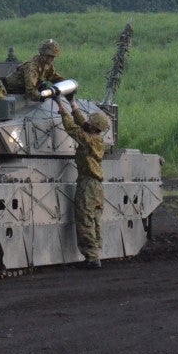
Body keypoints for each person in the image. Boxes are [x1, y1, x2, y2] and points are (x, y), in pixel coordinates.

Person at [56, 96, 111, 269]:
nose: (88, 121)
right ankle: (95, 253)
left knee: (85, 219)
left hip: (88, 184)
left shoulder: (88, 140)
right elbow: (83, 125)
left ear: (95, 126)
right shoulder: (96, 138)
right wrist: (72, 104)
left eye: (90, 121)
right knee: (94, 220)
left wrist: (60, 105)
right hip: (96, 185)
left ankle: (92, 258)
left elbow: (73, 128)